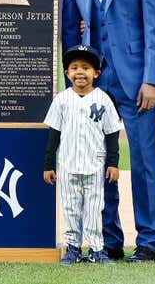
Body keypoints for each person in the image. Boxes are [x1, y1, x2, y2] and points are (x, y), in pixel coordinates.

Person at [62, 0, 155, 262]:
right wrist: (72, 82)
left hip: (136, 79)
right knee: (95, 162)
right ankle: (108, 240)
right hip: (92, 82)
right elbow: (68, 32)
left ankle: (150, 241)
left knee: (143, 161)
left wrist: (152, 78)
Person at [43, 45, 122, 266]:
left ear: (96, 73)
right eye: (74, 67)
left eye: (86, 67)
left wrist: (113, 164)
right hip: (68, 165)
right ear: (67, 73)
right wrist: (49, 165)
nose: (79, 72)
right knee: (70, 209)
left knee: (95, 210)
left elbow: (112, 134)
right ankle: (73, 249)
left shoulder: (103, 99)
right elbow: (53, 135)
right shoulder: (61, 99)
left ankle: (97, 250)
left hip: (95, 165)